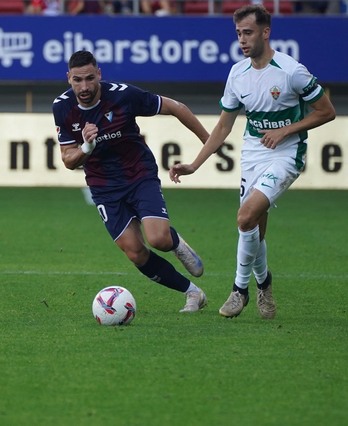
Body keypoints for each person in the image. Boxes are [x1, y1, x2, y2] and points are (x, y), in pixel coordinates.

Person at [169, 5, 336, 319]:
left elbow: (327, 111)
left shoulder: (290, 70)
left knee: (245, 217)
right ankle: (264, 283)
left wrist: (288, 129)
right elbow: (223, 126)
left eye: (248, 33)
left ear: (265, 32)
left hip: (287, 155)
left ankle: (239, 289)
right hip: (253, 154)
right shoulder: (237, 73)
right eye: (238, 34)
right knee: (254, 228)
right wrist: (195, 164)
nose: (242, 40)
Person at [52, 50, 209, 313]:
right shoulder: (62, 107)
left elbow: (175, 107)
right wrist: (87, 147)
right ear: (68, 78)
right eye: (77, 80)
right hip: (103, 186)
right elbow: (68, 159)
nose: (85, 86)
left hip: (138, 174)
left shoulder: (123, 95)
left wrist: (209, 141)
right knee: (135, 252)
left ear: (99, 74)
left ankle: (176, 243)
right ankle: (193, 293)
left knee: (157, 239)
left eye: (90, 78)